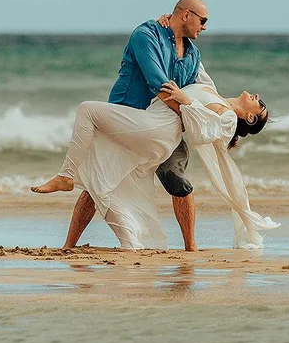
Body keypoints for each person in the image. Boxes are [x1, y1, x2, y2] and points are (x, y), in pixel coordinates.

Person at [38, 0, 212, 250]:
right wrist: (192, 117)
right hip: (126, 118)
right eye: (202, 20)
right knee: (97, 183)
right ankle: (69, 245)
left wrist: (215, 122)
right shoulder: (146, 35)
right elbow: (160, 85)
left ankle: (191, 247)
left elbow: (200, 91)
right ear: (186, 15)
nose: (205, 27)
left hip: (163, 127)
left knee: (179, 181)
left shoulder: (193, 55)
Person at [30, 78, 275, 249]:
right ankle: (93, 242)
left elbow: (207, 130)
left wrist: (184, 99)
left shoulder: (229, 116)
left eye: (260, 105)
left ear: (250, 117)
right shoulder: (211, 88)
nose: (258, 98)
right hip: (153, 125)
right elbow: (191, 53)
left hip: (160, 132)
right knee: (102, 175)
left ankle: (190, 247)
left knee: (177, 182)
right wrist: (168, 25)